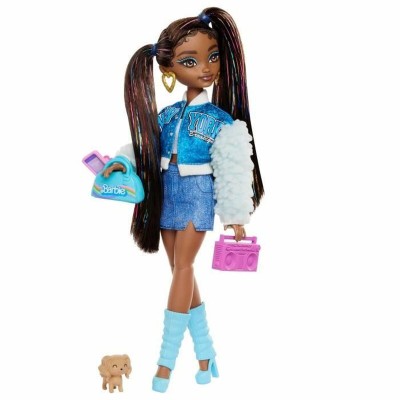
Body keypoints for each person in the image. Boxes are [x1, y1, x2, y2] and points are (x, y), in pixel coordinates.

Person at [103, 7, 264, 392]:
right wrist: (121, 162)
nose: (206, 68)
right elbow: (145, 146)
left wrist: (235, 213)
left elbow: (233, 166)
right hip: (165, 193)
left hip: (197, 193)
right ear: (169, 70)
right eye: (190, 61)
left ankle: (166, 362)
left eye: (213, 56)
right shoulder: (167, 115)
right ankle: (206, 355)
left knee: (184, 268)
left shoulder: (222, 121)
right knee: (180, 270)